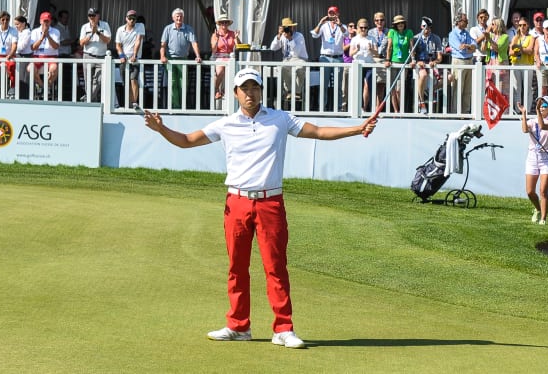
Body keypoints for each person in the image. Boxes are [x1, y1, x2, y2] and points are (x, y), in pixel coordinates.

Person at [141, 67, 377, 349]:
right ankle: (238, 326)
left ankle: (283, 329)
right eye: (245, 88)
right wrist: (161, 129)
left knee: (275, 267)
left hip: (270, 202)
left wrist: (357, 128)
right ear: (235, 93)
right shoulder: (226, 124)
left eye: (255, 88)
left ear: (261, 91)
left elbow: (319, 131)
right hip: (236, 202)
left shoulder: (280, 119)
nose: (250, 93)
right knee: (236, 267)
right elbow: (187, 141)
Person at [518, 95, 548, 225]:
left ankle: (543, 218)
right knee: (529, 191)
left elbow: (542, 125)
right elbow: (524, 130)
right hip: (532, 157)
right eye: (540, 106)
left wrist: (537, 112)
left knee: (543, 191)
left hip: (546, 159)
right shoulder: (532, 121)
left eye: (544, 106)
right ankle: (537, 208)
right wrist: (524, 114)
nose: (541, 108)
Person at [159, 8, 202, 109]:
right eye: (177, 16)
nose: (179, 18)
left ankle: (182, 106)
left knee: (183, 83)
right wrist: (162, 56)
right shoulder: (168, 28)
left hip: (183, 59)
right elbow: (163, 45)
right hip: (170, 59)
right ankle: (175, 106)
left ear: (183, 17)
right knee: (172, 82)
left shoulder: (188, 29)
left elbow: (194, 43)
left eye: (181, 16)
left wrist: (198, 56)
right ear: (173, 18)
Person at [310, 5, 345, 111]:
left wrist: (340, 25)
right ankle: (322, 107)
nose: (332, 15)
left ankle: (338, 108)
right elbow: (314, 35)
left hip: (338, 58)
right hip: (325, 57)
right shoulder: (324, 26)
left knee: (338, 85)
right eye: (330, 13)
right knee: (323, 84)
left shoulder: (342, 26)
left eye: (334, 13)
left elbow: (347, 35)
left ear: (338, 14)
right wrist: (320, 22)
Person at [269, 17, 309, 105]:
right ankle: (289, 91)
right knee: (282, 67)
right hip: (287, 59)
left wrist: (290, 39)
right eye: (286, 27)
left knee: (300, 68)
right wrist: (278, 36)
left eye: (289, 27)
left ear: (292, 27)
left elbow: (296, 52)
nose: (288, 29)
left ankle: (297, 92)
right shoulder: (282, 36)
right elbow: (273, 48)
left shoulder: (299, 36)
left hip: (299, 58)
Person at [78, 8, 110, 103]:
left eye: (93, 15)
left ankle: (88, 99)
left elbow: (107, 40)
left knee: (99, 80)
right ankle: (91, 101)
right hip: (88, 56)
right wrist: (91, 33)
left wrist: (98, 32)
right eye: (90, 15)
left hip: (101, 57)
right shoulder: (84, 27)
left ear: (98, 16)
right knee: (88, 81)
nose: (91, 17)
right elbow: (81, 43)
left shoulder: (105, 25)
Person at [413, 17, 443, 114]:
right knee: (423, 75)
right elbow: (412, 56)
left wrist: (435, 62)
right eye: (425, 27)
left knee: (450, 77)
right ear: (421, 27)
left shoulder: (436, 38)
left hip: (432, 65)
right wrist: (417, 61)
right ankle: (421, 101)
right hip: (421, 65)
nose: (427, 30)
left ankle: (429, 91)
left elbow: (439, 57)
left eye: (429, 27)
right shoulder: (415, 38)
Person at [116, 9, 145, 108]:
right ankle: (129, 103)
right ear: (126, 19)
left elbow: (138, 41)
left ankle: (134, 102)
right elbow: (118, 45)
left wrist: (134, 55)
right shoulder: (120, 29)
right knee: (126, 83)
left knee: (134, 80)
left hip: (135, 59)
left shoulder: (140, 26)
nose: (132, 20)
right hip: (124, 60)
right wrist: (121, 56)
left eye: (133, 18)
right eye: (130, 18)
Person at [347, 18, 377, 111]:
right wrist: (357, 49)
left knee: (369, 86)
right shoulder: (355, 39)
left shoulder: (372, 38)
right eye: (361, 27)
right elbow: (350, 54)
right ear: (358, 27)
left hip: (369, 65)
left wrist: (371, 49)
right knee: (358, 86)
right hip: (358, 65)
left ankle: (367, 107)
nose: (363, 29)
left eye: (365, 27)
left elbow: (377, 53)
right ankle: (358, 108)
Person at [447, 12, 475, 113]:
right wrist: (469, 47)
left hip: (469, 61)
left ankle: (465, 112)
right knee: (458, 89)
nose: (467, 22)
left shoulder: (466, 33)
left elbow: (474, 45)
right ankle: (456, 113)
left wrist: (468, 47)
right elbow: (460, 48)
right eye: (465, 20)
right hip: (459, 62)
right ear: (458, 22)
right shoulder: (453, 34)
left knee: (468, 90)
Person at [387, 14, 414, 112]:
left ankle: (401, 110)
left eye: (402, 22)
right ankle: (396, 111)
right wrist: (387, 60)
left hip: (404, 63)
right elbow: (389, 47)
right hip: (393, 62)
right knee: (392, 89)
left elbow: (411, 47)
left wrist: (413, 60)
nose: (400, 24)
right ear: (395, 25)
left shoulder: (409, 32)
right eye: (398, 23)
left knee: (400, 89)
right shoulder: (392, 32)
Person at [31, 11, 61, 97]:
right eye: (44, 21)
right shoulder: (35, 32)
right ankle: (43, 87)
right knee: (30, 69)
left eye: (47, 21)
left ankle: (45, 88)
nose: (46, 23)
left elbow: (56, 46)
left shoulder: (56, 31)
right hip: (38, 56)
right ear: (40, 21)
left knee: (54, 69)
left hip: (51, 56)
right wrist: (41, 38)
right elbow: (33, 47)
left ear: (50, 21)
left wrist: (48, 36)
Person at [0, 11, 18, 97]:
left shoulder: (13, 30)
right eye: (3, 19)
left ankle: (12, 87)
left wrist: (10, 55)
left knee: (12, 66)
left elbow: (14, 45)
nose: (5, 21)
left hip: (10, 55)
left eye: (7, 20)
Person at [508, 17, 535, 110]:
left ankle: (527, 109)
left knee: (527, 88)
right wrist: (517, 51)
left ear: (528, 26)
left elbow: (530, 51)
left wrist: (519, 48)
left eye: (524, 25)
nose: (522, 27)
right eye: (520, 25)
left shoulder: (531, 37)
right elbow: (510, 52)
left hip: (527, 65)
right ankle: (518, 109)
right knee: (517, 88)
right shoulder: (516, 37)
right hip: (516, 64)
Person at [210, 14, 238, 101]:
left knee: (231, 73)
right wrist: (217, 39)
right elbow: (214, 50)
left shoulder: (232, 33)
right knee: (220, 71)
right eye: (222, 23)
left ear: (228, 24)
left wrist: (237, 38)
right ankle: (216, 89)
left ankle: (226, 92)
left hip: (230, 56)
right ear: (219, 24)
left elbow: (238, 46)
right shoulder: (215, 34)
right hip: (219, 56)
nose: (224, 24)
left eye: (226, 22)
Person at [367, 12, 391, 110]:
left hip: (384, 60)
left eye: (381, 20)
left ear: (384, 21)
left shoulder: (389, 32)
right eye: (377, 20)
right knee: (368, 85)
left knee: (381, 86)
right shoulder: (370, 32)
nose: (379, 22)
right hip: (373, 60)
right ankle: (366, 108)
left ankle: (378, 109)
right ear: (374, 21)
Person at [486, 17, 510, 97]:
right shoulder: (491, 36)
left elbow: (497, 48)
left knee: (500, 88)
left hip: (500, 63)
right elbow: (483, 48)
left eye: (493, 24)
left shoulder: (505, 37)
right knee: (490, 85)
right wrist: (486, 34)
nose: (491, 26)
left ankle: (502, 108)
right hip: (491, 62)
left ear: (498, 25)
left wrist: (489, 39)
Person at [12, 16, 32, 97]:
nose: (16, 26)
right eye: (15, 25)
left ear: (23, 23)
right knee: (17, 77)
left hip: (24, 57)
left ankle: (24, 96)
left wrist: (13, 48)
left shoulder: (27, 32)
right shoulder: (17, 32)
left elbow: (22, 47)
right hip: (17, 56)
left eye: (18, 24)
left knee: (23, 78)